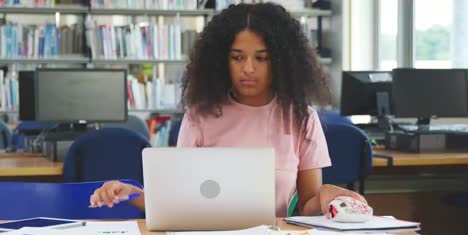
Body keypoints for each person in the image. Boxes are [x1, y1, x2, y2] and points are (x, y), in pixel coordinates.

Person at [90, 2, 367, 217]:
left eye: (262, 58)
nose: (248, 68)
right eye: (237, 57)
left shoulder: (301, 116)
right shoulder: (200, 115)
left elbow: (307, 205)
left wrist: (326, 196)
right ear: (221, 59)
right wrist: (129, 193)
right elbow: (175, 199)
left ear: (282, 62)